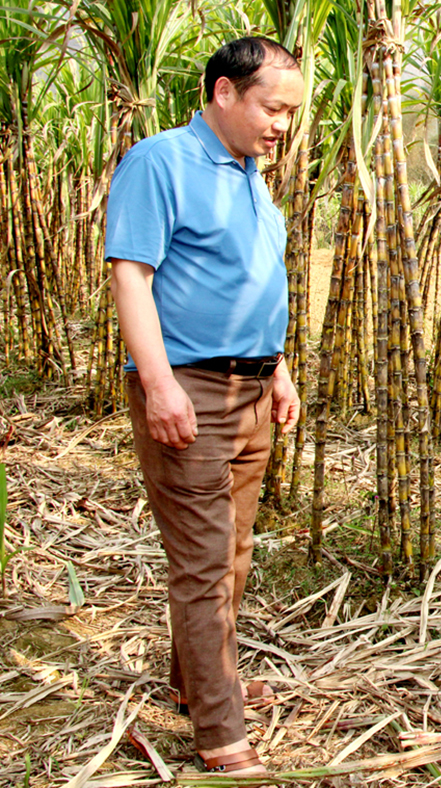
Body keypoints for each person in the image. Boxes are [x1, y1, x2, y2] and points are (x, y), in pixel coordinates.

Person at [106, 37, 305, 776]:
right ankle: (220, 733)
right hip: (190, 388)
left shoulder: (251, 174)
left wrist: (278, 370)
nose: (282, 123)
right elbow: (132, 275)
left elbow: (249, 280)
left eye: (291, 111)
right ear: (224, 92)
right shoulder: (161, 163)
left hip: (252, 389)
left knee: (234, 553)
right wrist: (158, 384)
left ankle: (197, 686)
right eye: (272, 107)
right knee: (203, 561)